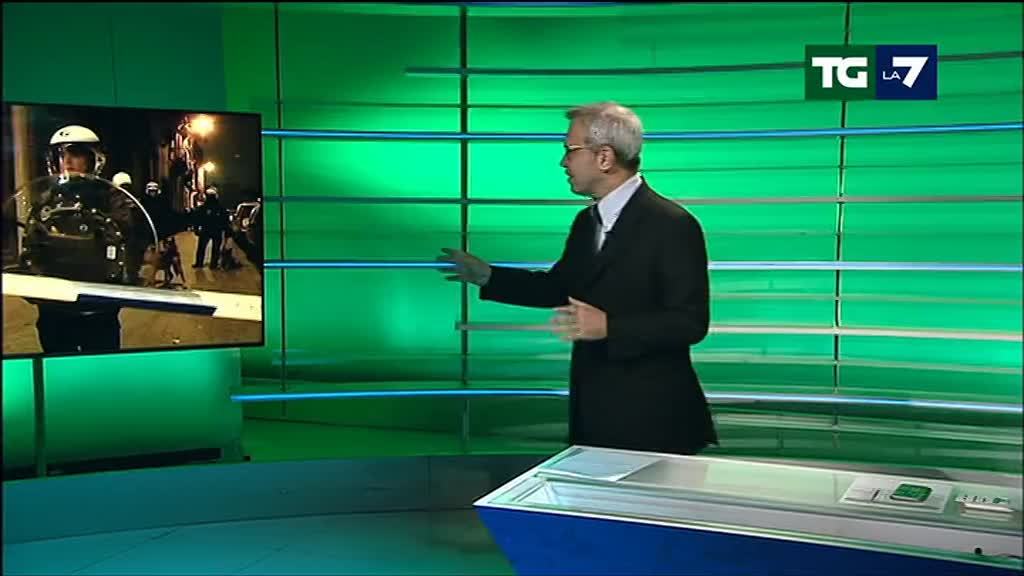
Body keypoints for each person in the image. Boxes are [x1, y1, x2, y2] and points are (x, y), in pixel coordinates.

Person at [438, 102, 717, 456]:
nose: (563, 162)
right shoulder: (587, 223)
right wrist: (488, 276)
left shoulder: (672, 224)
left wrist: (609, 327)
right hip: (595, 411)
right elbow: (559, 287)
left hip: (654, 419)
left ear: (604, 157)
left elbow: (690, 322)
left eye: (570, 150)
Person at [27, 125, 131, 353]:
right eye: (61, 154)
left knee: (101, 366)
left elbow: (126, 233)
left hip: (98, 304)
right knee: (57, 365)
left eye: (75, 153)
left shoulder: (110, 196)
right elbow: (32, 242)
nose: (67, 160)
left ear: (94, 159)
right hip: (55, 305)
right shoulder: (47, 199)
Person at [192, 186, 229, 269]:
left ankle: (200, 263)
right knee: (214, 248)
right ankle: (213, 264)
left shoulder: (204, 208)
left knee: (203, 247)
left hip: (207, 230)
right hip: (215, 230)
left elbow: (197, 219)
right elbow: (225, 221)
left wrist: (196, 228)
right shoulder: (220, 208)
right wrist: (226, 230)